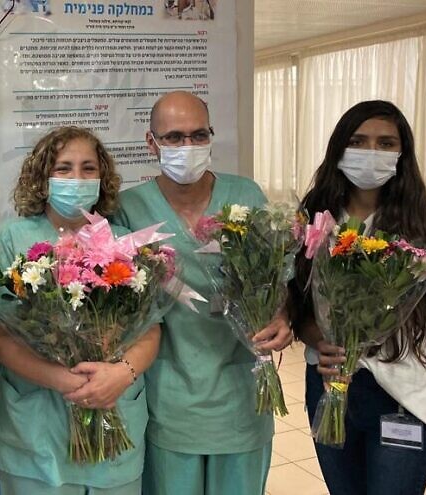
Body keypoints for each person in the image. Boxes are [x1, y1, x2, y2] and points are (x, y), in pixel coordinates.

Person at [113, 91, 292, 495]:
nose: (187, 147)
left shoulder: (246, 197)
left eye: (198, 135)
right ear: (151, 142)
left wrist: (282, 317)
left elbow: (279, 277)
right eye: (174, 137)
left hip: (242, 393)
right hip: (171, 394)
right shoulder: (128, 209)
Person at [0, 126, 161, 494]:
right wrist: (60, 379)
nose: (77, 178)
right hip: (37, 428)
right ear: (43, 178)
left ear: (102, 177)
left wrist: (122, 374)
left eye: (88, 168)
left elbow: (152, 329)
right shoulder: (15, 239)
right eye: (63, 168)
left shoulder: (125, 242)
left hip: (114, 414)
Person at [290, 100, 426, 495]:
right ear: (338, 149)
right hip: (331, 389)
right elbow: (298, 308)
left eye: (386, 143)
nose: (371, 153)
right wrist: (319, 339)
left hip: (406, 397)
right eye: (358, 141)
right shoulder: (315, 221)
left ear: (403, 154)